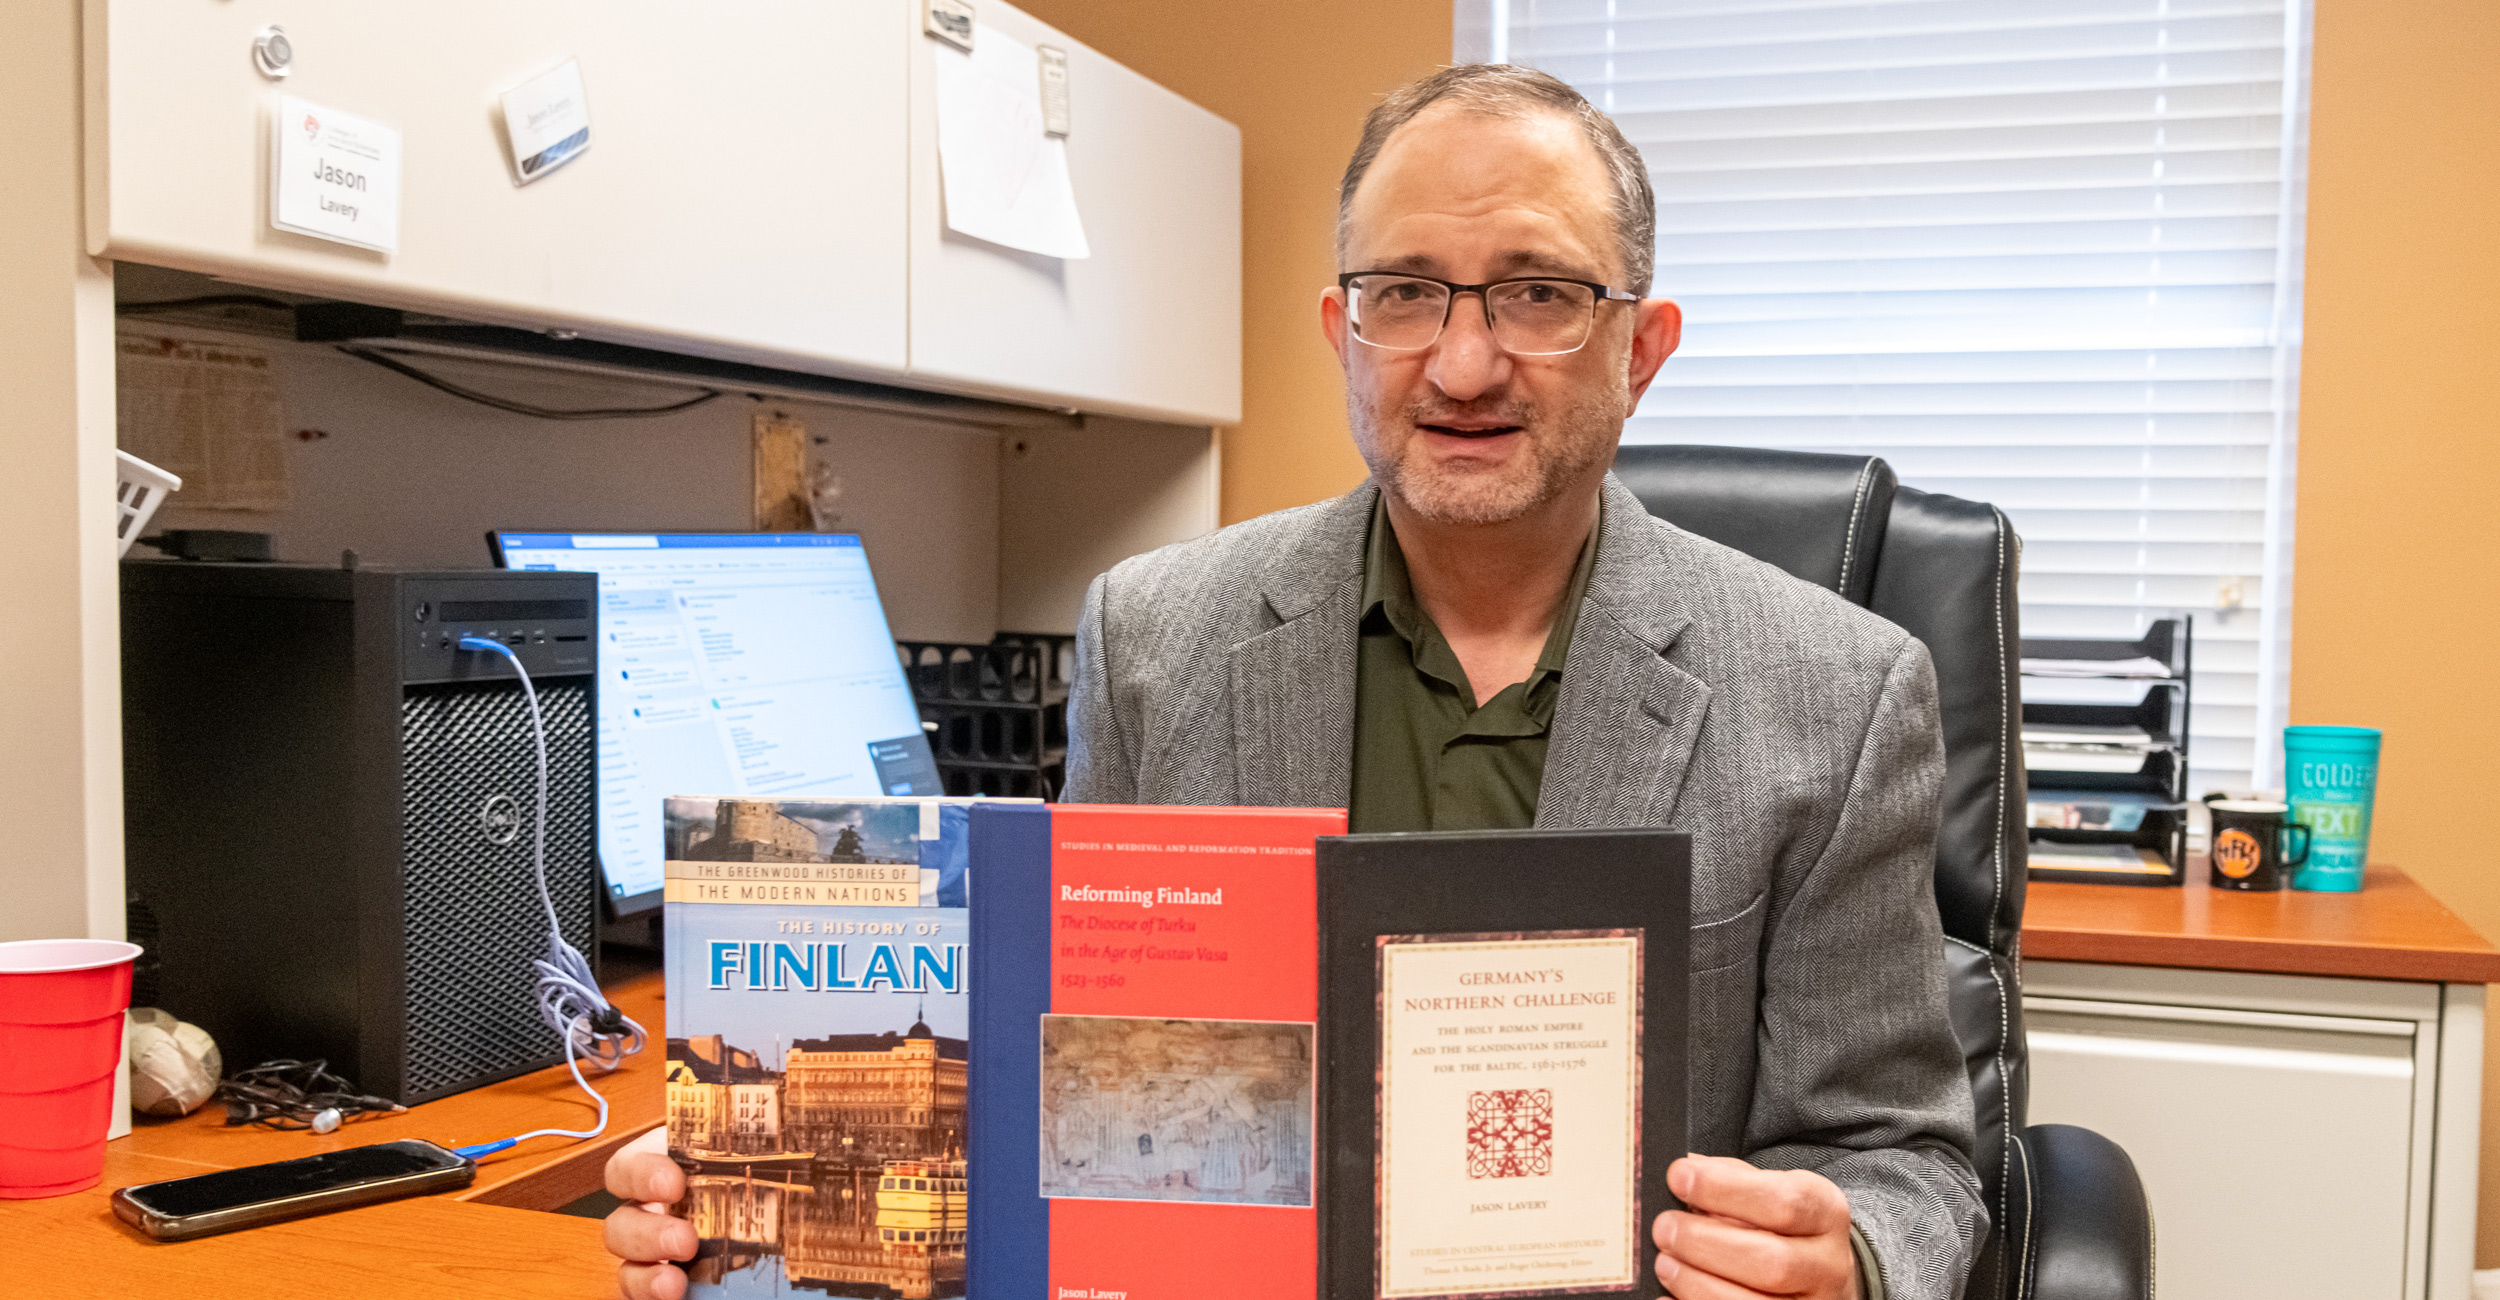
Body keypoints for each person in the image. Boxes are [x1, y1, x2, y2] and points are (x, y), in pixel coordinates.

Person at [601, 64, 1982, 1300]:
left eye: (1541, 294)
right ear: (1342, 331)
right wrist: (755, 1173)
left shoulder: (1838, 693)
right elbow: (1068, 1073)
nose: (1461, 362)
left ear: (1644, 347)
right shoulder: (1158, 637)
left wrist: (1845, 1257)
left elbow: (1905, 1164)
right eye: (1406, 294)